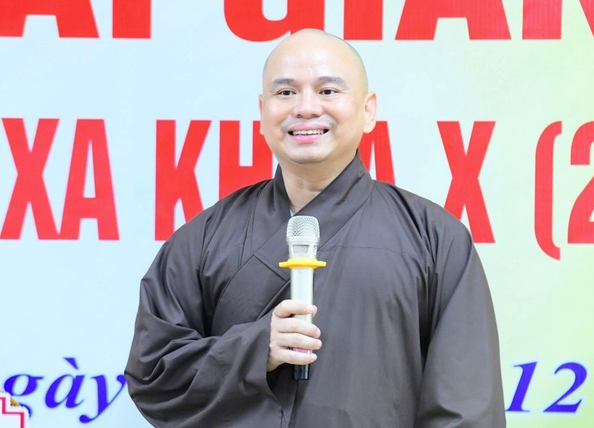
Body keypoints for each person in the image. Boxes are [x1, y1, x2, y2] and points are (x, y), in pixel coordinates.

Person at [125, 28, 506, 427]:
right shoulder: (204, 238)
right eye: (286, 92)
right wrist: (254, 350)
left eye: (327, 91)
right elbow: (154, 377)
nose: (306, 108)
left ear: (368, 110)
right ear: (262, 111)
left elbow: (467, 407)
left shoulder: (434, 238)